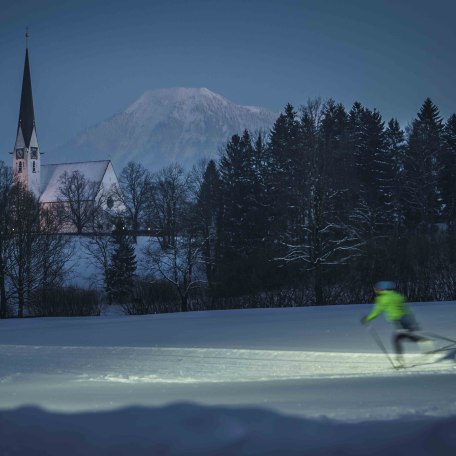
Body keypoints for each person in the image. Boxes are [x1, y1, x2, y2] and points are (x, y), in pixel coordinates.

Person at [361, 281, 432, 364]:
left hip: (397, 320)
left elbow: (377, 311)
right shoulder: (397, 296)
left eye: (377, 288)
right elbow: (407, 309)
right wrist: (413, 322)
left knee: (397, 339)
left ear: (382, 289)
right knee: (402, 336)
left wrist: (367, 319)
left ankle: (400, 358)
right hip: (407, 318)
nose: (375, 290)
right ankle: (422, 341)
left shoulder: (382, 299)